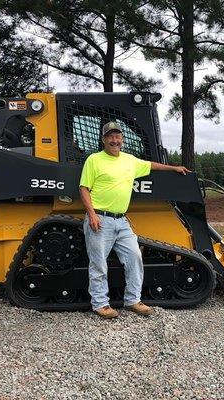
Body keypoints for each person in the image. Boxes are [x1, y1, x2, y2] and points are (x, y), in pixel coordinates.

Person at [79, 121, 191, 319]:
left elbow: (150, 165)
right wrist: (92, 214)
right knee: (98, 264)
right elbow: (84, 188)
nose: (115, 140)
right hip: (100, 219)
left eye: (117, 136)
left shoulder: (129, 160)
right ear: (103, 139)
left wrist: (173, 168)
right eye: (110, 137)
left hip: (121, 221)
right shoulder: (94, 160)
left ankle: (133, 300)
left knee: (134, 257)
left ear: (122, 139)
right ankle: (100, 304)